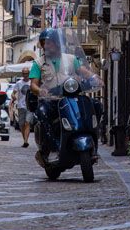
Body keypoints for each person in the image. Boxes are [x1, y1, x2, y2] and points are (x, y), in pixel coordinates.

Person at [29, 29, 99, 157]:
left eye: (49, 43)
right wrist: (40, 90)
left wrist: (94, 77)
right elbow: (33, 84)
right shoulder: (38, 63)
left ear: (57, 43)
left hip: (71, 97)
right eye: (44, 43)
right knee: (42, 113)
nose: (46, 46)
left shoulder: (71, 59)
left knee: (96, 105)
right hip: (51, 100)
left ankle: (93, 138)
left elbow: (83, 71)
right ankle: (52, 145)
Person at [15, 65, 33, 148]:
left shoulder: (32, 83)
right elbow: (13, 92)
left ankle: (26, 141)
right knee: (21, 124)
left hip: (29, 106)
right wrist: (13, 96)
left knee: (27, 123)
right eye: (24, 73)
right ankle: (24, 139)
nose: (25, 75)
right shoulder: (18, 83)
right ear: (22, 74)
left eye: (27, 73)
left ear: (29, 74)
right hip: (21, 106)